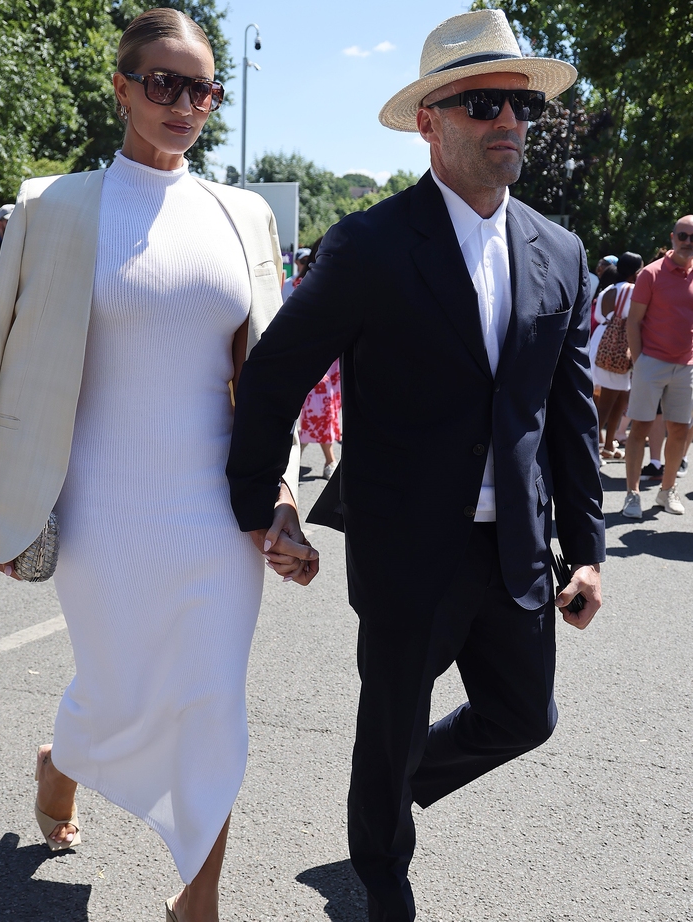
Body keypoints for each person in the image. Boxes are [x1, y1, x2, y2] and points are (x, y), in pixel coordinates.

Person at [226, 10, 605, 921]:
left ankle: (386, 796)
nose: (509, 122)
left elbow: (569, 412)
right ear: (432, 119)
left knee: (526, 718)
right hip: (407, 545)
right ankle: (380, 871)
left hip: (516, 542)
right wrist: (257, 504)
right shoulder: (373, 244)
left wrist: (586, 549)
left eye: (520, 105)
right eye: (484, 103)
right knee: (390, 716)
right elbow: (276, 373)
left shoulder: (560, 251)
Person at [0, 10, 311, 922]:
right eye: (164, 84)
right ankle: (59, 762)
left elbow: (265, 381)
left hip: (217, 514)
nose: (185, 104)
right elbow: (4, 367)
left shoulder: (243, 214)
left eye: (202, 89)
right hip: (101, 507)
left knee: (210, 702)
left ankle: (199, 899)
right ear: (122, 87)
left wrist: (284, 502)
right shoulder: (55, 206)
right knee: (115, 689)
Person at [621, 214, 693, 517]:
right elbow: (633, 322)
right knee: (640, 428)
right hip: (651, 362)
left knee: (679, 431)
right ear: (672, 237)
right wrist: (641, 363)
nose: (688, 243)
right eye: (683, 236)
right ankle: (632, 493)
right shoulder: (650, 274)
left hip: (686, 366)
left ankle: (666, 492)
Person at [295, 238, 342, 479]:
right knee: (318, 410)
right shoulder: (300, 284)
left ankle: (297, 455)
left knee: (322, 411)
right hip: (309, 358)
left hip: (332, 360)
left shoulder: (340, 281)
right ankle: (329, 460)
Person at [590, 251, 643, 459]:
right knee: (608, 401)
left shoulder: (609, 289)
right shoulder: (631, 290)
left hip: (602, 343)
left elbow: (598, 316)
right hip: (618, 349)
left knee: (619, 396)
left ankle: (608, 444)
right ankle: (593, 447)